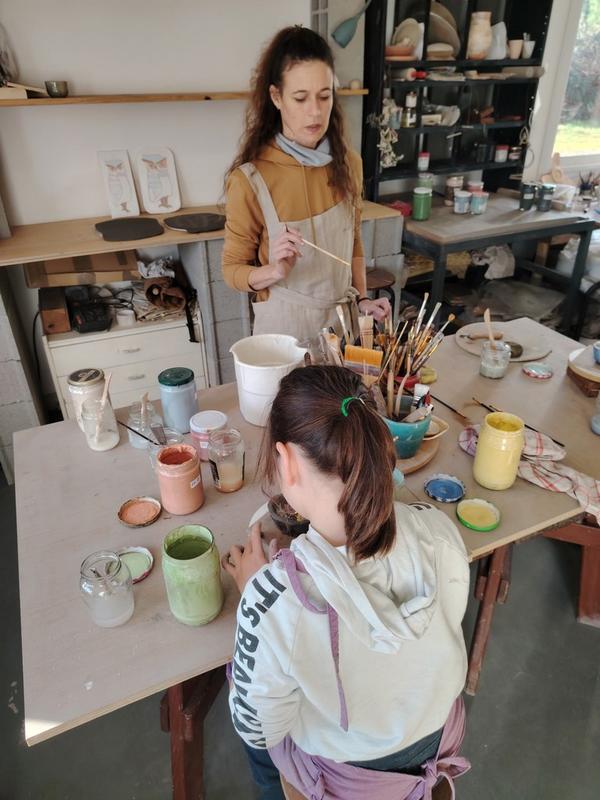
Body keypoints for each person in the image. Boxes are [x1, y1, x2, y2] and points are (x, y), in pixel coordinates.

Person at [222, 365, 471, 800]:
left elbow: (257, 727)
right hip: (435, 734)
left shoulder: (275, 598)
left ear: (286, 462)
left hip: (350, 774)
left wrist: (256, 592)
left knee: (261, 743)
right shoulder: (440, 531)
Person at [222, 26, 391, 342]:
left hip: (343, 328)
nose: (315, 111)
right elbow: (232, 271)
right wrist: (273, 270)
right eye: (300, 98)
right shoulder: (250, 180)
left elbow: (352, 240)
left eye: (324, 96)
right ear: (276, 97)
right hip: (285, 337)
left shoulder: (348, 163)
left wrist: (363, 299)